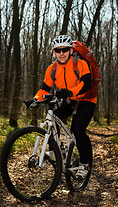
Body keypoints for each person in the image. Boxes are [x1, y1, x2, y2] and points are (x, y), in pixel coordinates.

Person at [27, 35, 97, 178]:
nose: (62, 53)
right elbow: (44, 89)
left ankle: (85, 164)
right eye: (58, 50)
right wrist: (34, 99)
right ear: (54, 52)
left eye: (65, 49)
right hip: (68, 98)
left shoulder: (80, 63)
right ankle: (56, 150)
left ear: (71, 50)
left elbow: (86, 83)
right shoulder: (52, 69)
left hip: (86, 99)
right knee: (53, 116)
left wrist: (71, 92)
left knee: (78, 130)